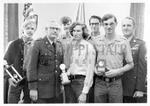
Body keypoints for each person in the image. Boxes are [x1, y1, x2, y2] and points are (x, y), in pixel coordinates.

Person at [93, 14, 134, 103]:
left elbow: (131, 64)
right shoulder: (96, 41)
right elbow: (91, 62)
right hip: (99, 83)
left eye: (111, 23)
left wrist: (118, 71)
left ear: (116, 24)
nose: (108, 26)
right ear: (102, 25)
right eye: (106, 24)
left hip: (116, 83)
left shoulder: (123, 41)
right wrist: (95, 70)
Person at [3, 12, 38, 103]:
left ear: (35, 30)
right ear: (23, 29)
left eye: (32, 29)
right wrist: (9, 77)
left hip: (30, 80)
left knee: (28, 101)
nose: (30, 31)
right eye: (28, 28)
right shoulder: (14, 44)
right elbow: (5, 61)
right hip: (16, 78)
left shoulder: (37, 45)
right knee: (12, 101)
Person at [27, 21, 63, 103]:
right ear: (46, 29)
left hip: (56, 90)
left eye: (57, 29)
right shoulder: (38, 44)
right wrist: (32, 88)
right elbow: (31, 67)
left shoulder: (59, 45)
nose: (55, 31)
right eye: (52, 28)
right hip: (41, 90)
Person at [66, 22, 96, 103]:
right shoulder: (71, 46)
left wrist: (84, 92)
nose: (75, 33)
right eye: (74, 31)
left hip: (81, 83)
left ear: (83, 32)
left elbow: (90, 71)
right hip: (69, 82)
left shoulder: (89, 47)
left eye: (78, 31)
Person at [121, 17, 147, 103]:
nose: (126, 28)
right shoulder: (117, 42)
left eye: (129, 25)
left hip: (131, 87)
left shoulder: (140, 43)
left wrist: (140, 89)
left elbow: (142, 67)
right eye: (124, 25)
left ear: (134, 27)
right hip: (116, 85)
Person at [86, 15, 102, 103]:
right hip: (87, 73)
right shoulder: (85, 39)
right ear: (89, 24)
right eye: (92, 24)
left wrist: (98, 70)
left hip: (99, 74)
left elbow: (103, 56)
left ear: (100, 25)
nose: (94, 26)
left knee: (97, 100)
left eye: (96, 24)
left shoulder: (105, 39)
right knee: (87, 98)